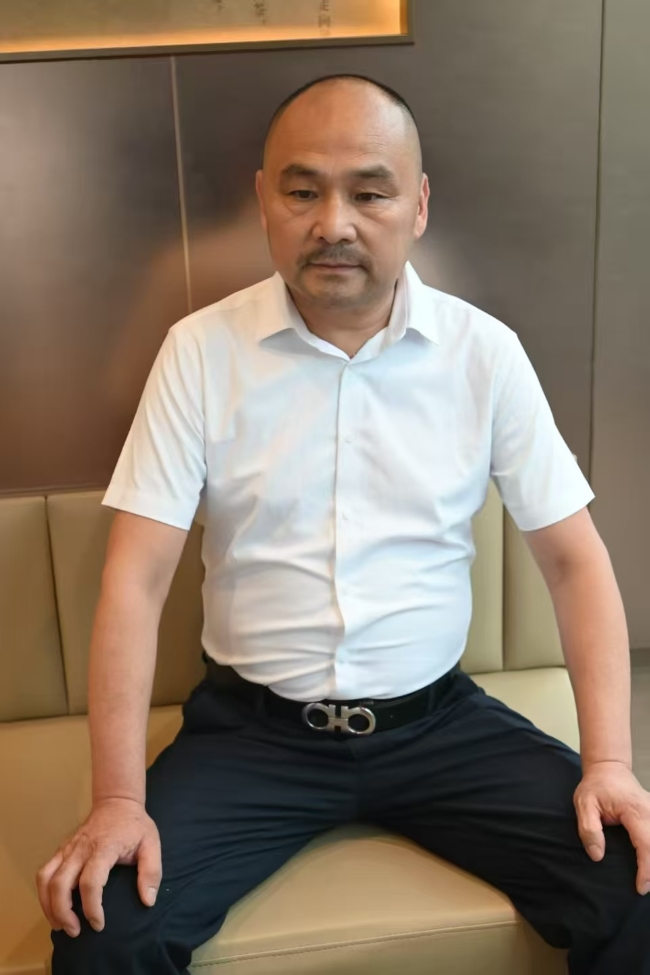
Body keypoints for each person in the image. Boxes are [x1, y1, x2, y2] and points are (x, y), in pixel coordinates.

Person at [38, 73, 650, 974]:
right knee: (103, 930)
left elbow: (574, 562)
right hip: (251, 737)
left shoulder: (484, 355)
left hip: (441, 729)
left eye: (370, 193)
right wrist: (118, 801)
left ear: (418, 205)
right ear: (264, 200)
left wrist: (611, 763)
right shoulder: (199, 353)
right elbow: (136, 580)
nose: (335, 223)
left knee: (636, 883)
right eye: (303, 191)